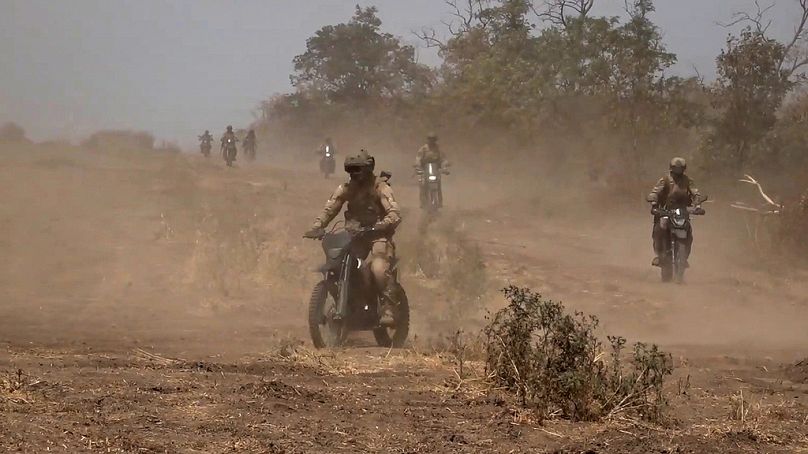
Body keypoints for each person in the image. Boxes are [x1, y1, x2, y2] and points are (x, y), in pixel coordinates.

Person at [303, 149, 402, 325]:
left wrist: (382, 224)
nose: (354, 175)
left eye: (358, 170)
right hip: (354, 235)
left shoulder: (380, 188)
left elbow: (394, 213)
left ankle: (388, 307)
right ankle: (350, 302)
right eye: (351, 170)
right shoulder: (346, 188)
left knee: (378, 267)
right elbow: (330, 208)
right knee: (340, 263)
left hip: (377, 236)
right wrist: (317, 226)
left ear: (368, 169)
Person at [647, 157, 702, 267]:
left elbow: (696, 193)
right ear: (671, 168)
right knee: (659, 229)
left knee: (688, 232)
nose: (678, 171)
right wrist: (653, 202)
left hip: (682, 211)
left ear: (684, 169)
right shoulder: (665, 180)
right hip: (665, 211)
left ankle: (684, 257)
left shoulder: (688, 181)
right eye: (676, 168)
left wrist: (698, 205)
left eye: (680, 168)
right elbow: (655, 192)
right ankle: (659, 255)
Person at [414, 133, 448, 208]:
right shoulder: (423, 149)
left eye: (433, 140)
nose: (431, 141)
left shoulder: (438, 149)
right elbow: (418, 158)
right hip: (425, 170)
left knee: (438, 185)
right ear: (428, 140)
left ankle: (440, 202)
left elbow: (443, 159)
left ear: (435, 140)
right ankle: (423, 202)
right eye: (430, 140)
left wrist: (445, 167)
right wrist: (417, 166)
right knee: (422, 185)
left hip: (435, 170)